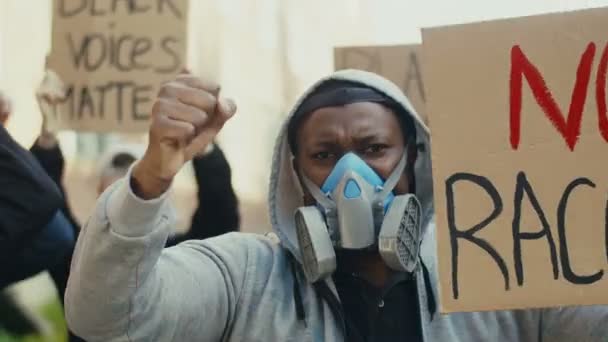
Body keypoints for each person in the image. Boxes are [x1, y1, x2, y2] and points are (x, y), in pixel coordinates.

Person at [64, 71, 608, 341]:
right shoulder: (246, 275)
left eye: (374, 149)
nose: (353, 175)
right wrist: (152, 178)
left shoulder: (494, 270)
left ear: (413, 159)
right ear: (295, 173)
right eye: (325, 155)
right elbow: (106, 319)